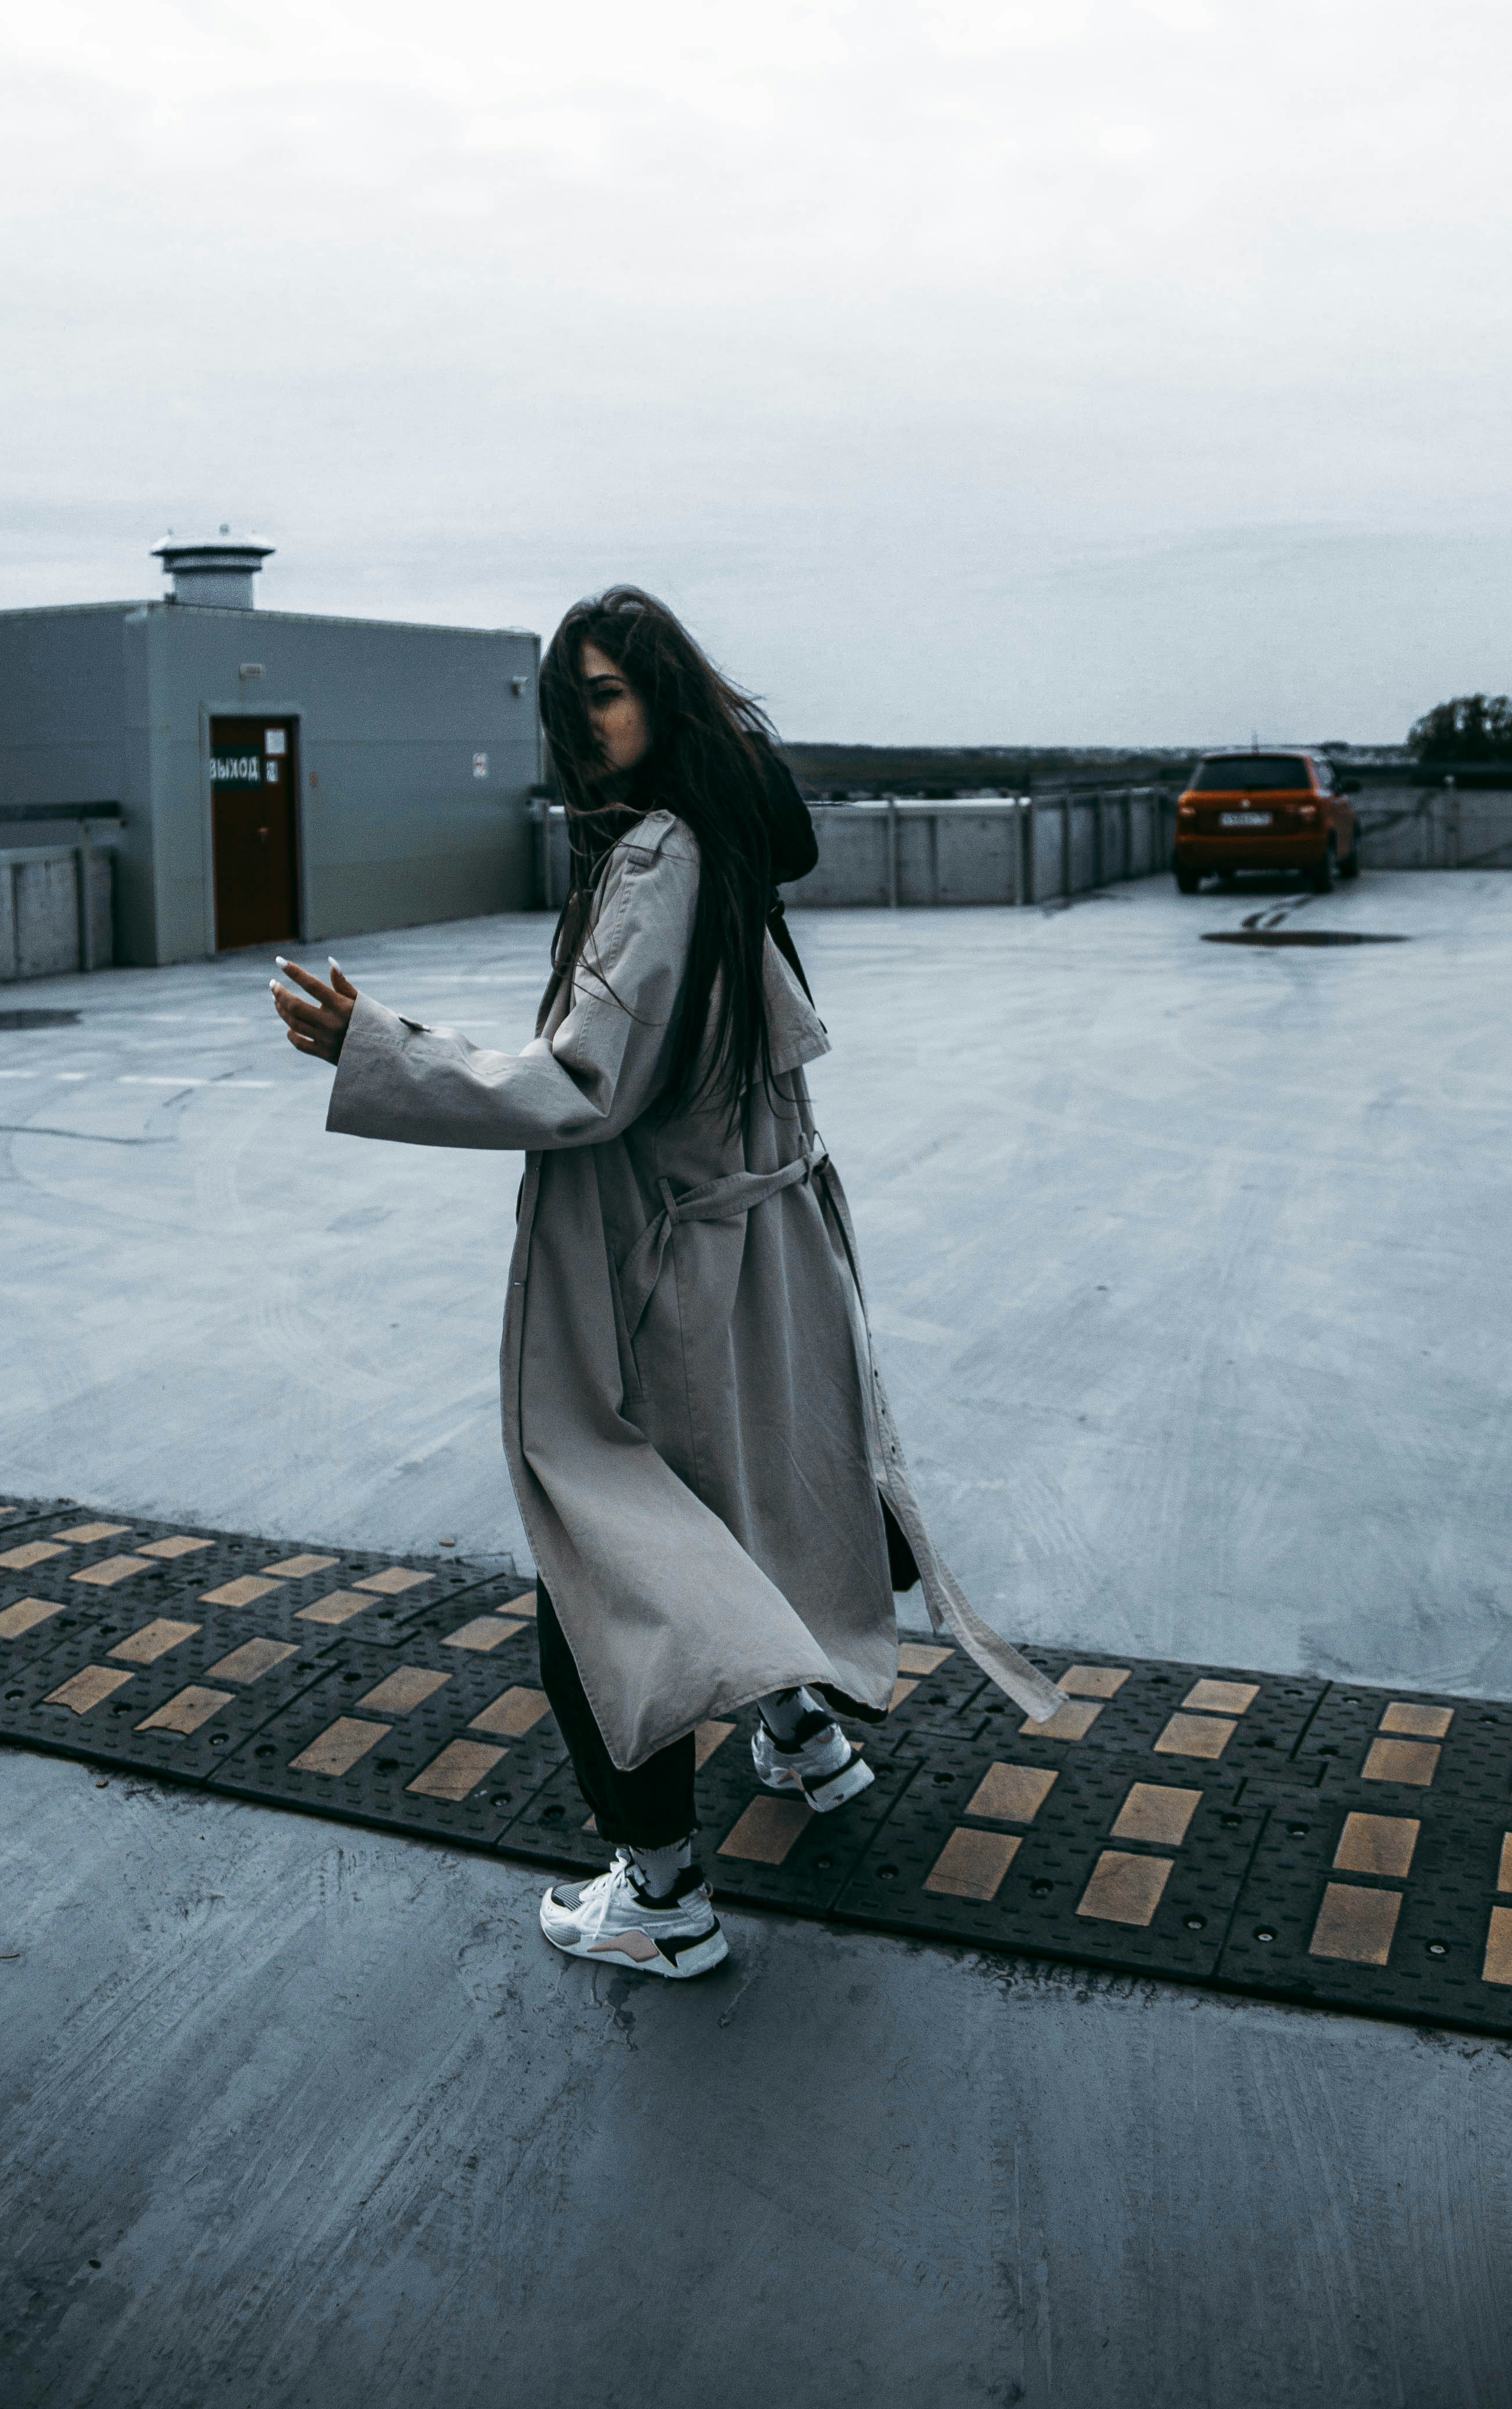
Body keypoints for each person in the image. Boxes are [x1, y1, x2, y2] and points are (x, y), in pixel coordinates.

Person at [272, 585, 1059, 1980]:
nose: (587, 721)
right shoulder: (737, 830)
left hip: (670, 1265)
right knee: (771, 1489)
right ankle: (805, 1738)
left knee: (610, 1559)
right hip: (762, 1250)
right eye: (569, 697)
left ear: (664, 700)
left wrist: (371, 1046)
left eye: (610, 692)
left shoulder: (658, 857)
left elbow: (583, 1081)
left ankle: (663, 1894)